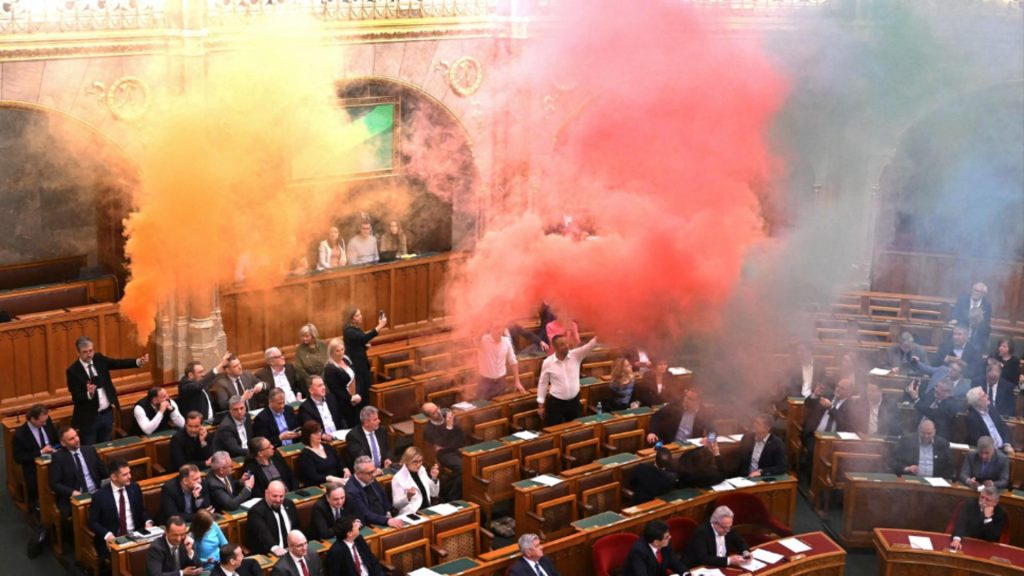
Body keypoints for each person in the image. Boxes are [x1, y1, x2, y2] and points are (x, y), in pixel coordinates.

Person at [66, 335, 149, 444]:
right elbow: (76, 397)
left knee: (107, 446)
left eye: (91, 351)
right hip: (89, 419)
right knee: (92, 449)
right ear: (78, 353)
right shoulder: (73, 371)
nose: (89, 354)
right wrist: (89, 394)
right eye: (85, 352)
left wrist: (137, 362)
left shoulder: (98, 358)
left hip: (106, 414)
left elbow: (117, 363)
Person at [88, 458, 153, 561]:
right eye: (125, 475)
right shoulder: (99, 496)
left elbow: (142, 511)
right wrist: (107, 534)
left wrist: (148, 522)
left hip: (136, 535)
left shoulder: (134, 488)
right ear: (114, 477)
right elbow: (93, 522)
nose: (130, 476)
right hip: (114, 538)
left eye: (129, 473)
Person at [537, 333, 599, 425]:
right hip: (556, 403)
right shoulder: (547, 362)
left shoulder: (576, 355)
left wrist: (600, 335)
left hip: (574, 402)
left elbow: (589, 345)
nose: (566, 346)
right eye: (562, 344)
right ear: (554, 347)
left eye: (567, 343)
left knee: (576, 429)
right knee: (555, 430)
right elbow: (543, 384)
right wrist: (541, 405)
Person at [49, 426, 107, 519]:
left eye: (76, 436)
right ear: (63, 443)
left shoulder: (89, 450)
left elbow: (103, 472)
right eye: (71, 439)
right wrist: (72, 492)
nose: (76, 440)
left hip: (96, 492)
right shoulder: (58, 458)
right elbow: (54, 484)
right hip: (74, 498)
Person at [12, 403, 58, 508]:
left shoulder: (46, 420)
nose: (45, 424)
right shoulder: (20, 435)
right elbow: (18, 458)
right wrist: (41, 452)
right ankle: (35, 506)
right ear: (32, 419)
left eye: (45, 420)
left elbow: (55, 438)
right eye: (42, 422)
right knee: (35, 486)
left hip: (53, 458)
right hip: (33, 466)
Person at [342, 306, 386, 403]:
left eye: (360, 314)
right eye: (358, 315)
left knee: (367, 393)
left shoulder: (355, 328)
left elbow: (357, 343)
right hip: (357, 368)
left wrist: (364, 347)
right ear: (351, 318)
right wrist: (380, 326)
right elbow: (363, 338)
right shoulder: (348, 330)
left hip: (362, 365)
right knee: (362, 394)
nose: (361, 316)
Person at [422, 402, 465, 500]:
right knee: (463, 469)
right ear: (429, 417)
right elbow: (441, 444)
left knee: (471, 466)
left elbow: (461, 436)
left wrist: (447, 444)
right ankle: (452, 497)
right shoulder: (428, 429)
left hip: (458, 449)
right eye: (434, 412)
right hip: (444, 455)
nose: (438, 412)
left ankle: (449, 492)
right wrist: (449, 427)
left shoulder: (448, 417)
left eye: (437, 408)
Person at [345, 456, 403, 528]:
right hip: (371, 524)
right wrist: (387, 520)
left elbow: (383, 498)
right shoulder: (351, 490)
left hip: (385, 518)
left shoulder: (370, 478)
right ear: (359, 474)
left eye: (374, 471)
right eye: (370, 473)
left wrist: (390, 513)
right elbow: (365, 514)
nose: (374, 475)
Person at [684, 507, 749, 569]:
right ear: (714, 523)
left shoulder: (727, 526)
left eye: (729, 527)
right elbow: (703, 558)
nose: (728, 530)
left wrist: (745, 552)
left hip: (722, 566)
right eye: (724, 528)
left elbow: (739, 541)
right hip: (701, 568)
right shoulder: (701, 533)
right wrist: (729, 560)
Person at [246, 480, 298, 556]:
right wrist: (275, 548)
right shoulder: (256, 512)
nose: (278, 500)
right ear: (266, 493)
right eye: (274, 496)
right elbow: (263, 532)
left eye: (281, 496)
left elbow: (296, 527)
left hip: (292, 550)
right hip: (269, 553)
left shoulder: (289, 504)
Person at [802, 378, 857, 449]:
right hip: (814, 435)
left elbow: (844, 423)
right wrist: (815, 395)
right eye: (838, 386)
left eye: (842, 388)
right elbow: (808, 404)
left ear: (849, 392)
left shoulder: (851, 406)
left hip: (835, 440)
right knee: (813, 449)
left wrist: (831, 408)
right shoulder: (827, 395)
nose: (837, 389)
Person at [646, 388, 714, 445]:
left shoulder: (703, 413)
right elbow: (657, 416)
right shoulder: (676, 405)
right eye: (686, 397)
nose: (686, 400)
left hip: (691, 448)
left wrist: (710, 439)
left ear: (698, 402)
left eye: (690, 399)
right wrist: (652, 432)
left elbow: (713, 431)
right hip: (671, 444)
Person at [949, 484, 1006, 550]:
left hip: (985, 546)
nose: (983, 501)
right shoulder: (970, 504)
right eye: (982, 497)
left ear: (995, 502)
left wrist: (987, 518)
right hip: (966, 541)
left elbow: (992, 538)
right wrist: (956, 539)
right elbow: (961, 523)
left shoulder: (1000, 513)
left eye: (987, 500)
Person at [622, 520, 688, 576]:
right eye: (667, 537)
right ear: (656, 542)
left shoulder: (665, 543)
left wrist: (686, 573)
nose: (670, 537)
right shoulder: (638, 552)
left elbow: (674, 561)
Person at [477, 325, 526, 400]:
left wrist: (517, 381)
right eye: (496, 327)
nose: (499, 331)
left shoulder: (506, 341)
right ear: (491, 329)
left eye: (501, 328)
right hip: (485, 382)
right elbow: (476, 338)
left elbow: (513, 361)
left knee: (500, 407)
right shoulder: (483, 340)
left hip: (500, 382)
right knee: (483, 408)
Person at [391, 446, 441, 516]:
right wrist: (407, 497)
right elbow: (396, 505)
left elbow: (434, 493)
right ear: (407, 461)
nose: (418, 464)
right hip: (411, 514)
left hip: (426, 510)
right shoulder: (398, 478)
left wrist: (434, 478)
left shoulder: (422, 470)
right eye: (415, 462)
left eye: (420, 461)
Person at [178, 354, 229, 423]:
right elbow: (198, 386)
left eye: (203, 371)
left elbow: (207, 380)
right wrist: (218, 367)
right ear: (190, 375)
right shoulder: (185, 385)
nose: (203, 374)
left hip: (211, 421)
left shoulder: (201, 381)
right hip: (196, 424)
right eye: (200, 372)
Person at [296, 420, 347, 487]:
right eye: (315, 433)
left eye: (320, 431)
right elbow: (313, 477)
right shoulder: (305, 456)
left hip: (337, 482)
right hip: (320, 486)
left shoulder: (328, 447)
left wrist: (345, 469)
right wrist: (329, 478)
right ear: (307, 436)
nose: (319, 434)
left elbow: (339, 462)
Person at [965, 386, 1014, 454]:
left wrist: (1007, 444)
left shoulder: (992, 410)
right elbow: (977, 440)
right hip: (989, 453)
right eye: (984, 396)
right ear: (977, 402)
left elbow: (1003, 427)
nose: (988, 396)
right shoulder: (972, 418)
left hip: (1004, 449)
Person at [324, 337, 360, 427]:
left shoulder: (346, 359)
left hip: (355, 398)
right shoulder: (329, 368)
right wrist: (350, 398)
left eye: (342, 349)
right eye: (337, 351)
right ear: (331, 352)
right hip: (342, 403)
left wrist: (358, 394)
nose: (341, 353)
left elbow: (355, 377)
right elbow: (335, 389)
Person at [346, 406, 392, 471]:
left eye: (378, 418)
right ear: (366, 423)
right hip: (366, 473)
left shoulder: (381, 430)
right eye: (375, 419)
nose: (379, 421)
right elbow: (361, 459)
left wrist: (387, 459)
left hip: (383, 469)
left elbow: (387, 449)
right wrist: (373, 470)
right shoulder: (353, 436)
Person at [294, 324, 329, 390]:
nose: (304, 339)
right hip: (309, 382)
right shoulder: (299, 349)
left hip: (325, 378)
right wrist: (312, 380)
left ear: (313, 335)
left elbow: (328, 361)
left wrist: (322, 378)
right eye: (302, 336)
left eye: (307, 336)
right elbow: (299, 369)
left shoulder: (322, 345)